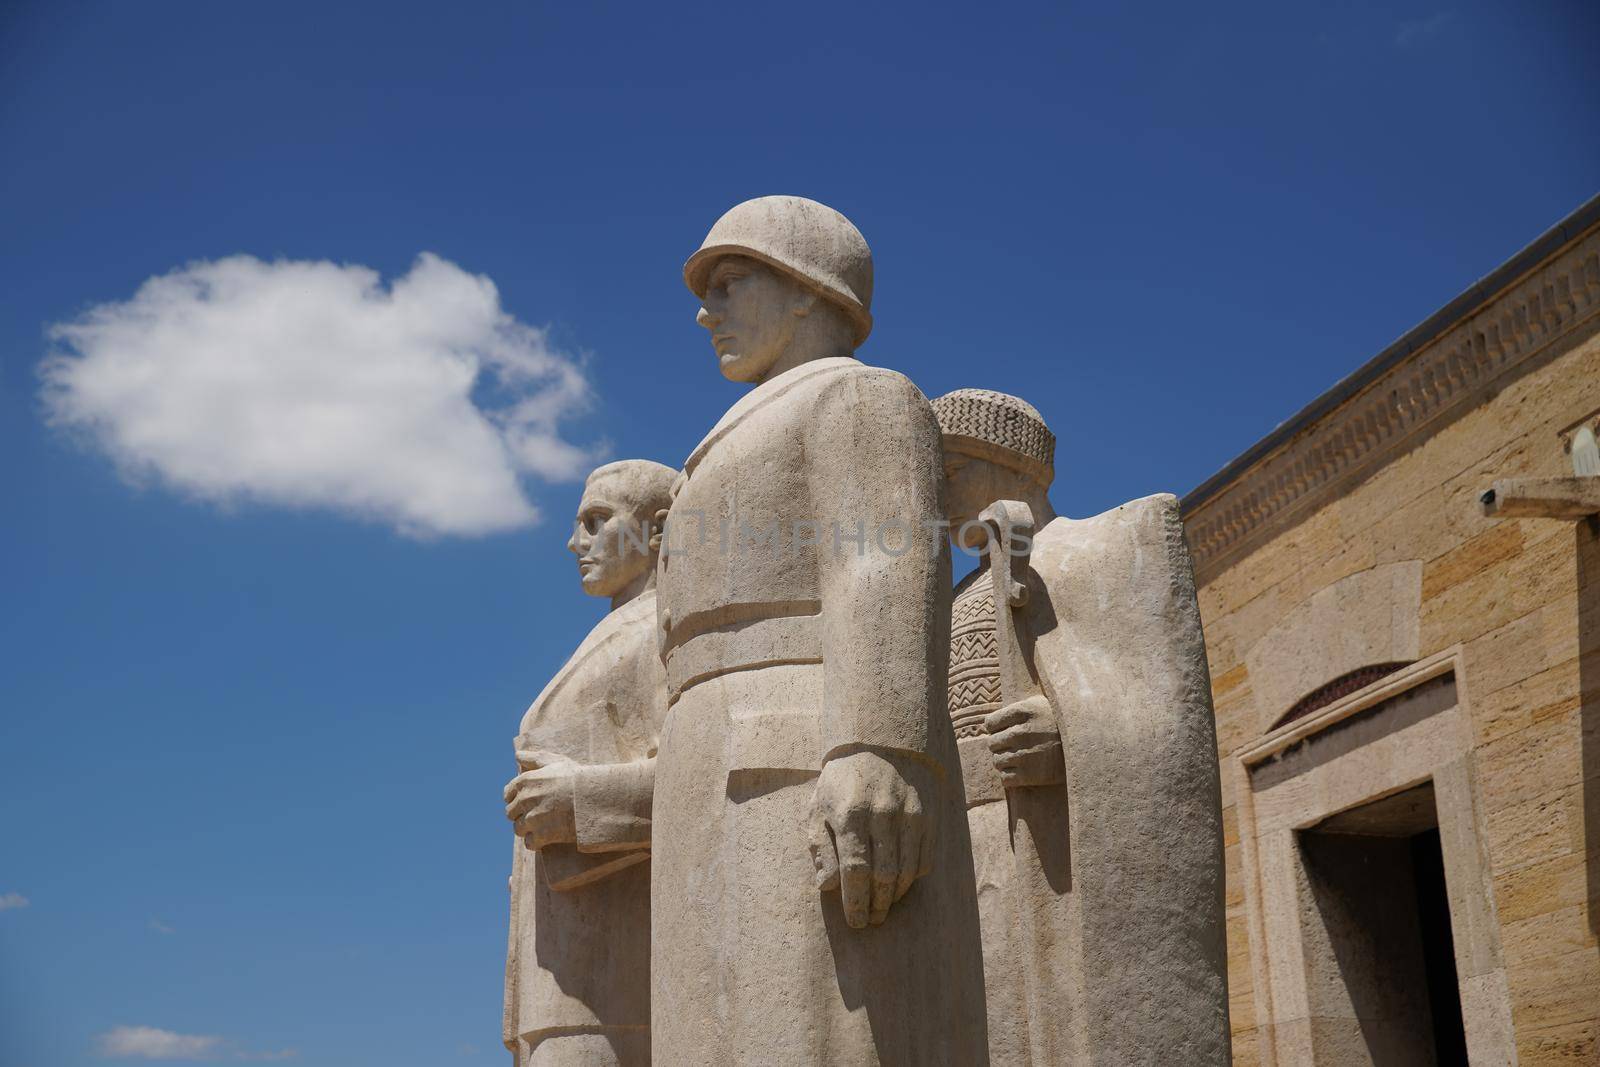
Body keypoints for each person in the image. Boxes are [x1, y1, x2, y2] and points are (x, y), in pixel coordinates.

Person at [649, 196, 987, 1065]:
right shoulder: (728, 436)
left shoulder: (861, 397)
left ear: (805, 290)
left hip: (801, 730)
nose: (705, 310)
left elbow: (877, 562)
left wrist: (878, 745)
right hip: (706, 752)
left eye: (730, 282)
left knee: (814, 1027)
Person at [934, 387, 1232, 1064]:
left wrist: (1068, 730)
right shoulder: (951, 602)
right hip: (965, 857)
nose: (938, 495)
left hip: (1053, 853)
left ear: (1002, 461)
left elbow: (1173, 720)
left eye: (949, 472)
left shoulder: (1110, 547)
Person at [502, 459, 676, 1066]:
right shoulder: (617, 631)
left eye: (597, 521)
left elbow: (700, 777)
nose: (575, 542)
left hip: (620, 974)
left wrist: (578, 800)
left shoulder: (670, 630)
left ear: (657, 530)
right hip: (570, 963)